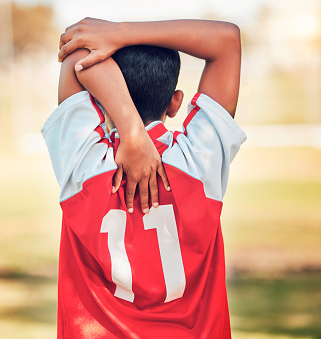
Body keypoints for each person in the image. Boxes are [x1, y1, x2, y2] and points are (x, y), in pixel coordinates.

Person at [42, 18, 246, 338]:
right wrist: (120, 34)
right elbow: (226, 40)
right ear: (175, 102)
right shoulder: (199, 162)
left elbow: (75, 54)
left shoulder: (85, 165)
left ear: (97, 99)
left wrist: (129, 128)